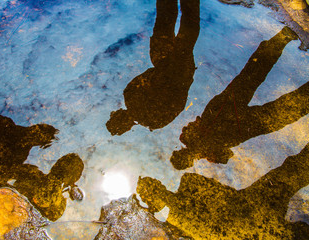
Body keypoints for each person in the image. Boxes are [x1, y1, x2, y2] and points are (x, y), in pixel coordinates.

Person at [170, 26, 306, 169]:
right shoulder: (187, 138)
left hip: (236, 124)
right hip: (225, 112)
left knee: (279, 111)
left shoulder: (201, 148)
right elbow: (197, 124)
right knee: (252, 76)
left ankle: (281, 39)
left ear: (190, 163)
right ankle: (281, 39)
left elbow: (227, 155)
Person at [137, 142, 309, 239]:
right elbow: (224, 192)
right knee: (294, 169)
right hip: (254, 207)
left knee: (294, 170)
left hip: (254, 209)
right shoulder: (181, 210)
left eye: (152, 185)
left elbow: (224, 192)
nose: (156, 185)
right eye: (153, 186)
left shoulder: (178, 219)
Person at [106, 0, 200, 135]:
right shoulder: (129, 95)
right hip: (164, 61)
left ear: (127, 128)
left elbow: (179, 104)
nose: (115, 112)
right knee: (165, 20)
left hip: (180, 72)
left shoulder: (155, 122)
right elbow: (147, 74)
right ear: (118, 116)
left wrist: (179, 80)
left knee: (189, 27)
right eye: (114, 115)